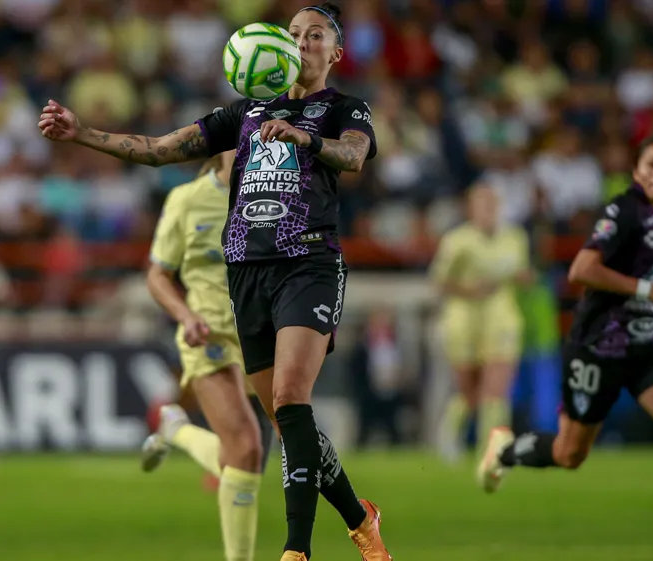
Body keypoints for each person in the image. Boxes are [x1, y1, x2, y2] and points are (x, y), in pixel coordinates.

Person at [37, 4, 391, 561]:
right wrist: (81, 133)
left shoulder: (345, 108)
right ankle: (360, 519)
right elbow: (160, 150)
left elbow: (353, 156)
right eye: (294, 33)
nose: (302, 41)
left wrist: (304, 139)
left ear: (335, 52)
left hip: (309, 263)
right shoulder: (245, 113)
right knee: (289, 423)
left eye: (315, 34)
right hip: (246, 272)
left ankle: (296, 550)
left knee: (290, 398)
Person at [477, 135, 653, 561]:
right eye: (652, 164)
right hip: (598, 347)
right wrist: (645, 288)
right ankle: (506, 450)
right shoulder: (624, 212)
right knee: (569, 453)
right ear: (637, 173)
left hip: (649, 347)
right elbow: (581, 269)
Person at [139, 150, 276, 561]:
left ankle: (176, 429)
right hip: (208, 335)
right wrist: (185, 315)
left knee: (244, 461)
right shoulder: (188, 199)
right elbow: (157, 274)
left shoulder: (277, 195)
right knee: (246, 450)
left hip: (262, 337)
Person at [430, 183, 531, 463]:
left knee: (496, 387)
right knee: (469, 391)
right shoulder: (457, 241)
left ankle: (493, 449)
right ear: (470, 208)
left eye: (491, 204)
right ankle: (449, 436)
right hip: (464, 320)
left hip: (502, 318)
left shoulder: (515, 237)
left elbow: (522, 272)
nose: (488, 210)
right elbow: (439, 282)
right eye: (481, 204)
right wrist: (470, 290)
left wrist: (524, 278)